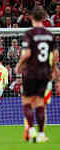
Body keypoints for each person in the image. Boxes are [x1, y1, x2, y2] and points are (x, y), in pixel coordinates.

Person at [15, 7, 59, 143]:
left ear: (31, 18)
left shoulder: (29, 34)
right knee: (40, 103)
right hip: (44, 73)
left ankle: (31, 129)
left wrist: (20, 64)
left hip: (31, 72)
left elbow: (27, 54)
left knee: (27, 101)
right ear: (44, 17)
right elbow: (56, 56)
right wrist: (54, 70)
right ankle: (41, 134)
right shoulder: (50, 35)